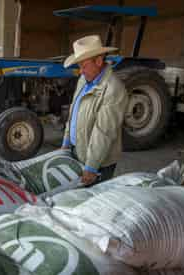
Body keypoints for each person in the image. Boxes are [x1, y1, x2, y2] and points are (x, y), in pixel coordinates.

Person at [61, 35, 128, 186]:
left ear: (98, 61)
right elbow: (74, 110)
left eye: (84, 66)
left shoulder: (113, 89)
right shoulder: (84, 80)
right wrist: (66, 141)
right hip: (77, 152)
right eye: (79, 66)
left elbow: (103, 131)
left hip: (98, 163)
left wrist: (91, 166)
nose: (81, 71)